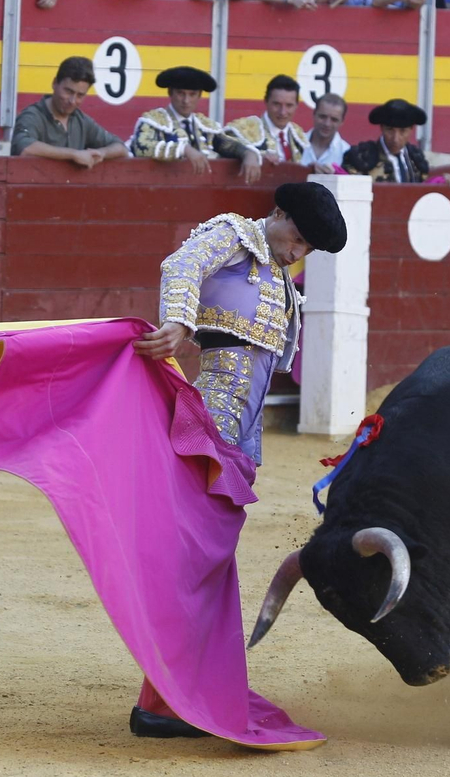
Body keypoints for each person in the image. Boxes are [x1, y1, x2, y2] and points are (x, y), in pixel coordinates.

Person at [127, 179, 345, 741]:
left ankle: (172, 696)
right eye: (296, 236)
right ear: (277, 213)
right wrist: (178, 321)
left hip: (238, 439)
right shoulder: (234, 236)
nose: (297, 252)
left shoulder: (277, 274)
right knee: (194, 562)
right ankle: (163, 702)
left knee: (208, 564)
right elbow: (182, 264)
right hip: (209, 425)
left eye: (307, 249)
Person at [128, 64, 264, 182]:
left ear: (199, 96)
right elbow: (142, 147)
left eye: (192, 94)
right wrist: (184, 149)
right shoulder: (153, 121)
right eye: (181, 93)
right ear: (170, 93)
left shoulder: (204, 126)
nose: (186, 101)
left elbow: (227, 144)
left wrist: (248, 154)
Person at [11, 54, 130, 165]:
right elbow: (25, 148)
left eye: (80, 95)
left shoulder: (81, 120)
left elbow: (121, 148)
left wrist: (102, 153)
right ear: (54, 83)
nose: (73, 101)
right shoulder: (33, 116)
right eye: (68, 91)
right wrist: (73, 154)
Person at [226, 74, 310, 164]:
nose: (282, 112)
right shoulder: (246, 128)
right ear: (266, 101)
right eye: (276, 104)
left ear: (296, 106)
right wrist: (248, 153)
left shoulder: (298, 136)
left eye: (289, 105)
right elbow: (224, 143)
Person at [341, 98, 431, 181]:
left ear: (411, 129)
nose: (396, 139)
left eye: (402, 131)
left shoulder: (416, 158)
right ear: (382, 128)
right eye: (390, 130)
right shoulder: (361, 157)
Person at [301, 92, 349, 171]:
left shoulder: (346, 152)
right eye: (322, 117)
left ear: (342, 122)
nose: (327, 124)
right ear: (314, 114)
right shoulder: (295, 143)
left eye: (334, 119)